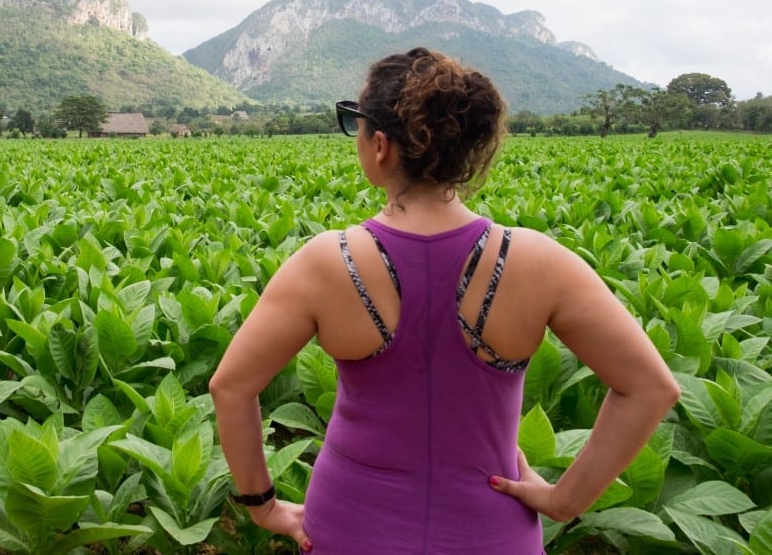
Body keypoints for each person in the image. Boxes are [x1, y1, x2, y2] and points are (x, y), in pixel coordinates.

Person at [209, 47, 680, 553]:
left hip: (350, 527)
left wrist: (263, 506)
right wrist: (566, 501)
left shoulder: (326, 263)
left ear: (381, 146)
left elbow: (232, 387)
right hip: (492, 532)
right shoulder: (539, 263)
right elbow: (650, 388)